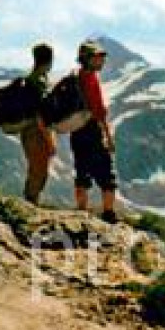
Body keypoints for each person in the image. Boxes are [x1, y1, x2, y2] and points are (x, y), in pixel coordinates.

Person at [70, 40, 119, 224]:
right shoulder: (91, 79)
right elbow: (99, 110)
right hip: (92, 130)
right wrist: (108, 136)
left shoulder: (77, 77)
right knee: (106, 174)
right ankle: (108, 213)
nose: (102, 61)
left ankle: (81, 211)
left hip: (77, 131)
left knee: (81, 171)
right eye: (98, 57)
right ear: (88, 59)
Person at [19, 43, 56, 204]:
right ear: (49, 60)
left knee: (35, 169)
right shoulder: (39, 82)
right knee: (39, 171)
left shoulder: (31, 79)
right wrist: (50, 140)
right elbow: (41, 115)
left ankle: (30, 202)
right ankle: (30, 204)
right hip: (37, 132)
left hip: (28, 130)